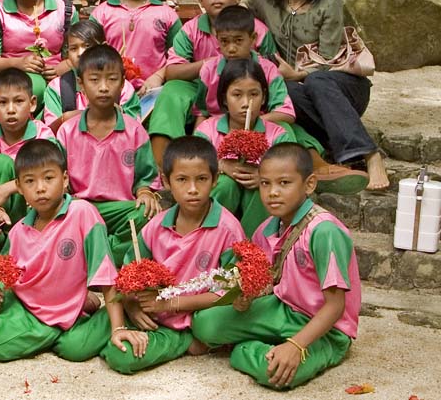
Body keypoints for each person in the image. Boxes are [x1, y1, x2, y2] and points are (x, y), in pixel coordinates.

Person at [0, 140, 147, 364]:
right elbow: (2, 272)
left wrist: (118, 328)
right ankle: (76, 303)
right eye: (30, 181)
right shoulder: (19, 230)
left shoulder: (81, 214)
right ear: (18, 187)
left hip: (43, 318)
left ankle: (68, 314)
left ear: (65, 179)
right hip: (10, 297)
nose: (40, 188)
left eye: (49, 178)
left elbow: (105, 275)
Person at [191, 143, 361, 389]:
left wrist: (295, 346)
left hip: (326, 328)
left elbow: (335, 307)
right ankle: (269, 344)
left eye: (284, 183)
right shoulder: (266, 229)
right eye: (265, 183)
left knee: (274, 373)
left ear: (309, 184)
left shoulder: (324, 231)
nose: (273, 192)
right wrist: (246, 299)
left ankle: (247, 350)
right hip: (283, 308)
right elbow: (268, 283)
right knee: (204, 324)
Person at [247, 0, 388, 190]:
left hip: (341, 87)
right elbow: (240, 23)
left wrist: (298, 74)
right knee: (282, 91)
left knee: (317, 81)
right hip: (300, 95)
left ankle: (370, 154)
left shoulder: (329, 4)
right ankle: (338, 146)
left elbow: (330, 59)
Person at [102, 136, 246, 374]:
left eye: (201, 179)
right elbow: (126, 276)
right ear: (166, 181)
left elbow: (230, 292)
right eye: (182, 179)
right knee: (104, 345)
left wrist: (173, 303)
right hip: (150, 313)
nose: (192, 189)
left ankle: (185, 341)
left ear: (215, 180)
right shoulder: (156, 226)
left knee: (122, 358)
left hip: (190, 320)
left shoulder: (228, 229)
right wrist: (132, 307)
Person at [146, 0, 275, 168]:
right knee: (172, 91)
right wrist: (209, 63)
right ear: (199, 0)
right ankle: (162, 165)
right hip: (202, 88)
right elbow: (172, 71)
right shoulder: (191, 29)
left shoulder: (257, 29)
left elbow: (270, 65)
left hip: (245, 93)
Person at [56, 44, 160, 263]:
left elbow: (145, 176)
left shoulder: (134, 131)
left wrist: (144, 192)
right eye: (94, 80)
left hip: (120, 209)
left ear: (123, 84)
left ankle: (93, 256)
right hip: (81, 207)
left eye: (111, 79)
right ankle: (110, 257)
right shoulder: (68, 131)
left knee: (146, 213)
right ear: (81, 84)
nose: (103, 87)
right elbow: (58, 175)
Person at [194, 59, 296, 236]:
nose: (246, 103)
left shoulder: (278, 135)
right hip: (218, 209)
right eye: (237, 95)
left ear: (264, 97)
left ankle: (254, 252)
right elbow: (193, 168)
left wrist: (265, 179)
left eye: (254, 95)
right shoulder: (207, 131)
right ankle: (206, 238)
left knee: (262, 190)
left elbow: (291, 174)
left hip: (260, 209)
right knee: (225, 184)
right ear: (224, 97)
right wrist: (222, 166)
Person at [0, 68, 56, 237]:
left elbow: (48, 173)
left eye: (18, 101)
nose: (11, 109)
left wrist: (7, 189)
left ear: (32, 104)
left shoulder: (42, 134)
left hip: (32, 207)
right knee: (0, 163)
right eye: (3, 103)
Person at [193, 5, 295, 125]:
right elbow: (201, 113)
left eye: (238, 40)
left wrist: (246, 124)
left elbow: (286, 113)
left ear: (253, 39)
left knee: (286, 130)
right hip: (219, 130)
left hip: (260, 127)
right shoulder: (208, 70)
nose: (231, 48)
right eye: (224, 41)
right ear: (217, 39)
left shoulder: (268, 69)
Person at [43, 20, 140, 131]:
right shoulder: (58, 88)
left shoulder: (123, 88)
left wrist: (117, 113)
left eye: (87, 46)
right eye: (74, 48)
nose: (80, 53)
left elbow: (135, 129)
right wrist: (66, 118)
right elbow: (49, 133)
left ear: (104, 47)